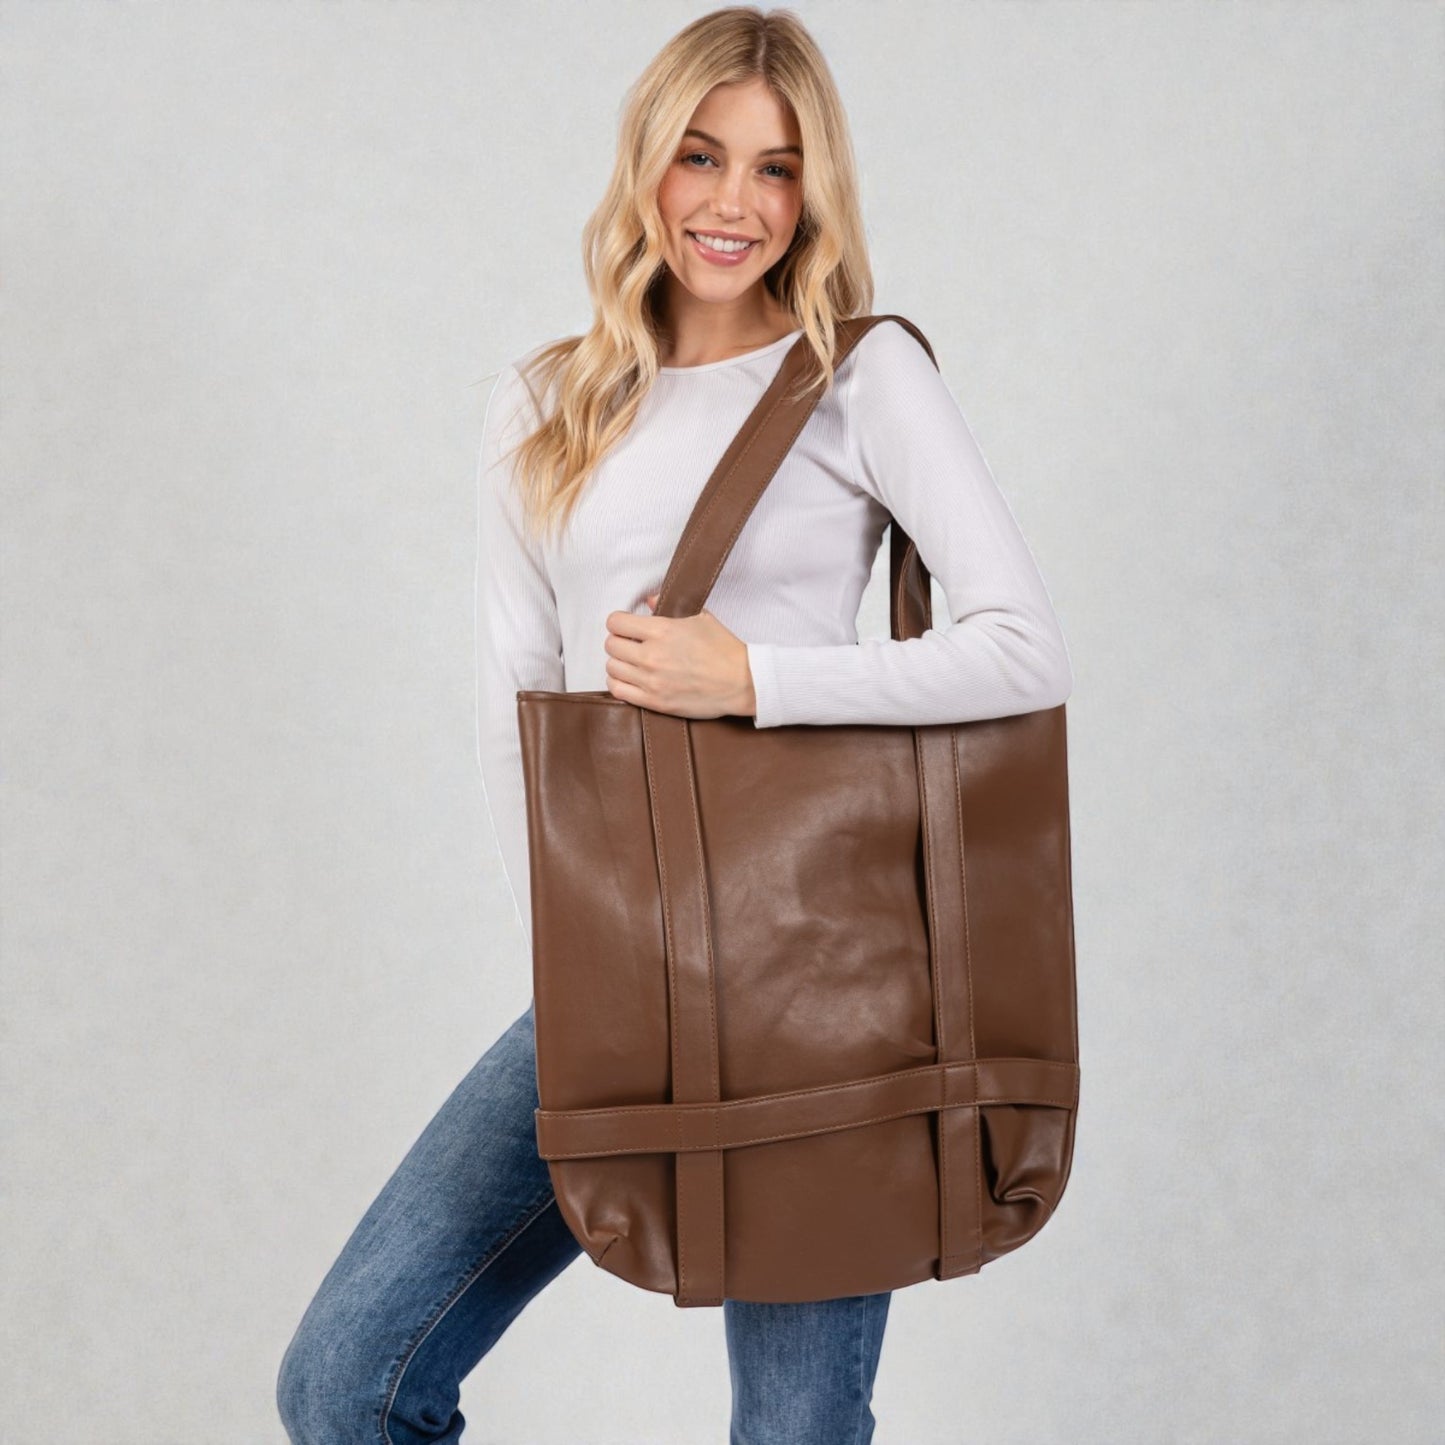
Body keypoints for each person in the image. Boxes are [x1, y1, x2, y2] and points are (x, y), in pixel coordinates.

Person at [275, 7, 1073, 1443]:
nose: (734, 203)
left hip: (821, 988)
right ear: (646, 162)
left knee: (791, 1434)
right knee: (349, 1380)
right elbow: (518, 712)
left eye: (777, 169)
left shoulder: (858, 375)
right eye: (702, 157)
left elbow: (1021, 648)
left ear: (813, 192)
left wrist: (752, 678)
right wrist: (574, 958)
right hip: (619, 970)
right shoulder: (542, 402)